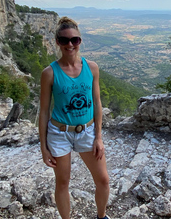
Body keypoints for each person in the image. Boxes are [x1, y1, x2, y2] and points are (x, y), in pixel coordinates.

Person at [39, 16, 110, 219]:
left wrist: (98, 137)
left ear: (80, 41)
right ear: (57, 42)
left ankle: (101, 216)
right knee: (62, 183)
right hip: (59, 133)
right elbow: (44, 111)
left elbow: (97, 103)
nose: (70, 45)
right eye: (64, 40)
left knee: (103, 180)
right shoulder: (49, 73)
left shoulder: (92, 68)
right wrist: (43, 147)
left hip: (87, 131)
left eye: (75, 40)